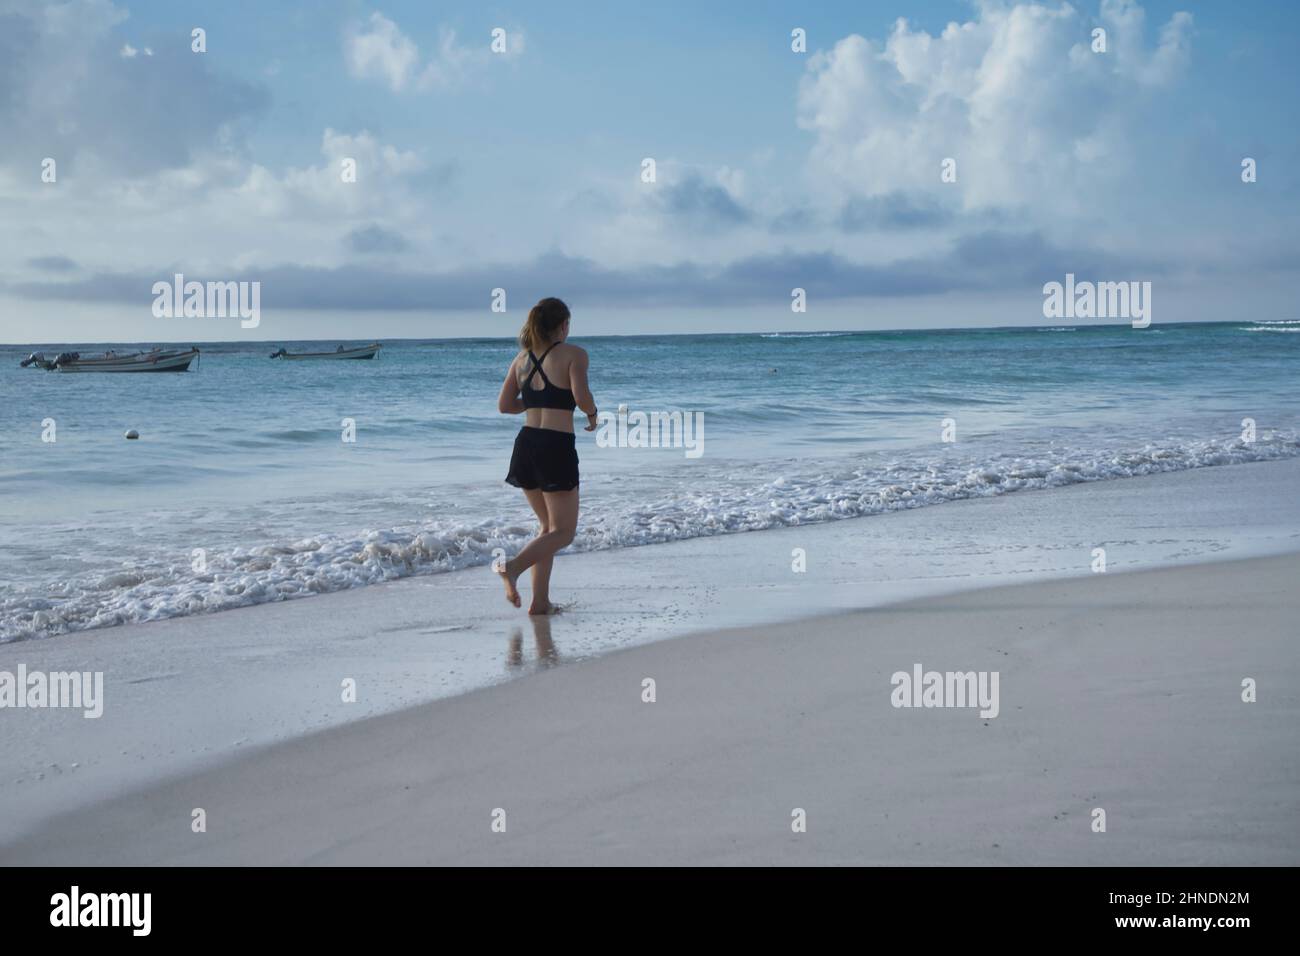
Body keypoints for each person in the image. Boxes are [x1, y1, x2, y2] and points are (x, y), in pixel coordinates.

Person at [496, 297, 598, 614]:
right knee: (563, 532)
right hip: (555, 446)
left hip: (526, 444)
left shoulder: (521, 359)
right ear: (563, 325)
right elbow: (581, 398)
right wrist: (593, 415)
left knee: (546, 529)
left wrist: (538, 401)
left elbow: (505, 406)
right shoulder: (575, 355)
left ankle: (540, 603)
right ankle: (512, 567)